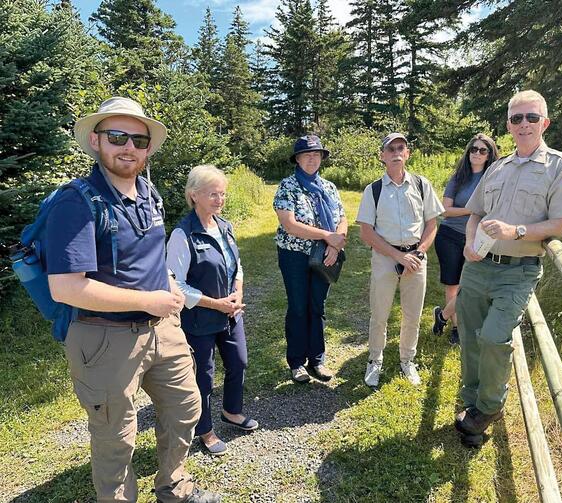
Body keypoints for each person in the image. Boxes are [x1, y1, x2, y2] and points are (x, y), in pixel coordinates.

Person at [46, 97, 220, 502]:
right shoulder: (77, 201)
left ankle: (174, 488)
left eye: (138, 140)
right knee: (115, 436)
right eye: (117, 136)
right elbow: (66, 287)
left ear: (147, 147)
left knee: (185, 410)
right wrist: (148, 299)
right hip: (104, 339)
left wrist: (170, 285)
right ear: (96, 140)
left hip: (164, 329)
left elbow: (149, 252)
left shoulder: (148, 191)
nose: (128, 147)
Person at [454, 90, 562, 441]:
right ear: (508, 125)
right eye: (516, 118)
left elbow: (558, 225)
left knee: (495, 338)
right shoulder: (497, 167)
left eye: (531, 117)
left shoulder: (561, 167)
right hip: (479, 266)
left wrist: (517, 231)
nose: (523, 124)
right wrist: (469, 243)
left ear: (545, 122)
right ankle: (470, 397)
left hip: (518, 270)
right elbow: (476, 213)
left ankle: (488, 406)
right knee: (469, 334)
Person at [166, 165, 258, 457]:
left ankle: (231, 411)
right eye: (213, 194)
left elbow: (237, 265)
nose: (220, 199)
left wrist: (238, 292)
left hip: (230, 314)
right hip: (199, 319)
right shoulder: (182, 235)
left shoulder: (225, 226)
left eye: (222, 194)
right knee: (203, 376)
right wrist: (215, 303)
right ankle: (204, 430)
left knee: (239, 362)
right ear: (194, 195)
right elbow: (175, 284)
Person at [356, 133, 444, 387]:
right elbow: (366, 232)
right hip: (386, 258)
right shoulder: (373, 190)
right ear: (382, 155)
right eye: (390, 148)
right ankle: (375, 360)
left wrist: (418, 253)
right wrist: (398, 256)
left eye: (401, 148)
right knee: (380, 314)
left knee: (412, 314)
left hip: (416, 258)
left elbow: (431, 223)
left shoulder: (421, 185)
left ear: (407, 153)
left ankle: (407, 360)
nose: (396, 152)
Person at [273, 135, 348, 384]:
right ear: (297, 159)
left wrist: (335, 246)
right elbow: (290, 224)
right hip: (294, 255)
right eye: (307, 155)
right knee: (298, 307)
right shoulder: (288, 186)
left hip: (325, 256)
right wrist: (328, 236)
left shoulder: (329, 187)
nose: (312, 158)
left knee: (317, 306)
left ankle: (317, 360)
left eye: (316, 154)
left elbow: (342, 219)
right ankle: (296, 362)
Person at [432, 134, 499, 344]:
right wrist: (471, 211)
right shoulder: (459, 177)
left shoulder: (494, 178)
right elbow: (445, 210)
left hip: (480, 239)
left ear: (490, 155)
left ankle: (442, 315)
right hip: (450, 236)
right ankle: (457, 329)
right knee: (453, 284)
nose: (477, 153)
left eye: (482, 150)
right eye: (473, 149)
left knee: (470, 285)